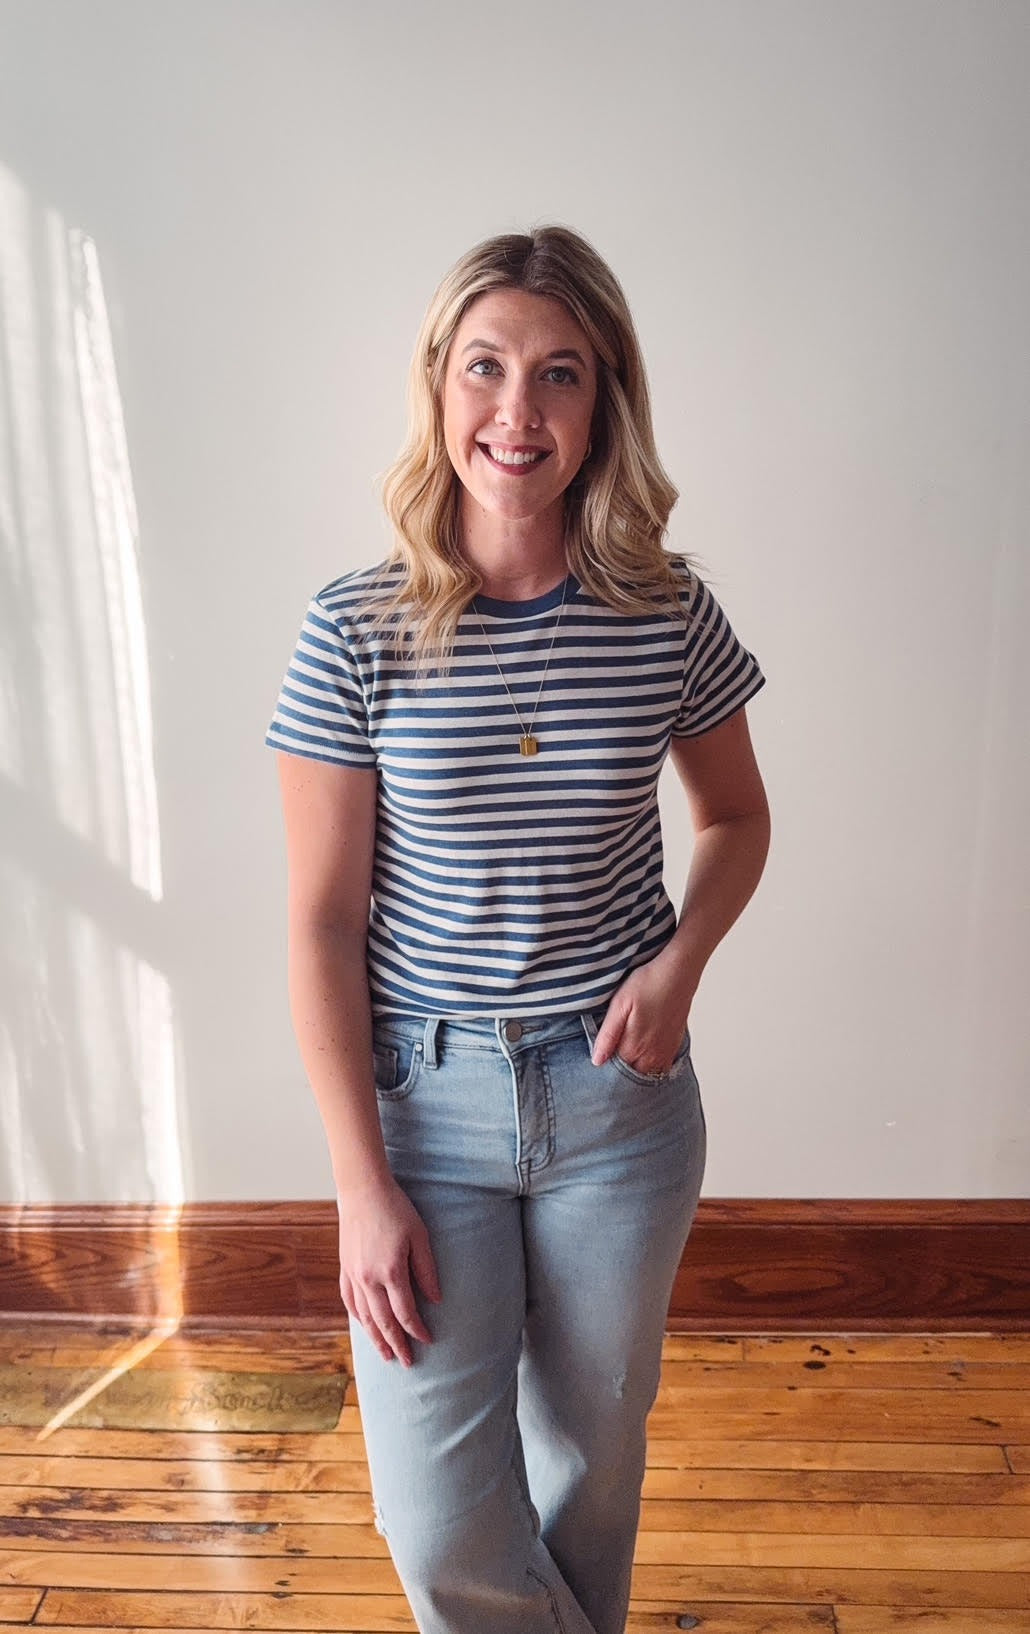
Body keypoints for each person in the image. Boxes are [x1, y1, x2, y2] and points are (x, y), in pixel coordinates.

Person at [266, 224, 770, 1634]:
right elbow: (317, 924)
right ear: (437, 387)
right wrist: (359, 1187)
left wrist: (679, 967)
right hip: (423, 1112)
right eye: (484, 367)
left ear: (604, 399)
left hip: (621, 1107)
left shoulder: (662, 611)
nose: (517, 411)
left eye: (559, 373)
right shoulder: (353, 628)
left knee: (588, 1475)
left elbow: (736, 820)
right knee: (435, 1517)